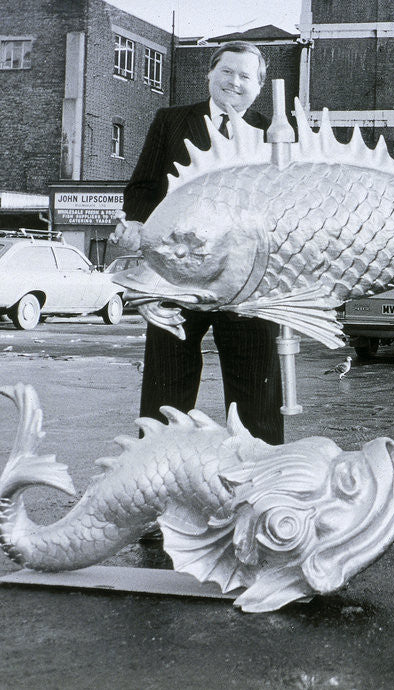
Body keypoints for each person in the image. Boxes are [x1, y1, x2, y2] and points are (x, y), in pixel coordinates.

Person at [115, 41, 284, 446]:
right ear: (210, 74)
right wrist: (138, 224)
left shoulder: (275, 133)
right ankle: (155, 471)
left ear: (259, 86)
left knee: (256, 391)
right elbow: (141, 188)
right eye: (227, 72)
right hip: (176, 276)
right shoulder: (171, 122)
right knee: (166, 384)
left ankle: (259, 480)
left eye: (246, 76)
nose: (235, 82)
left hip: (247, 281)